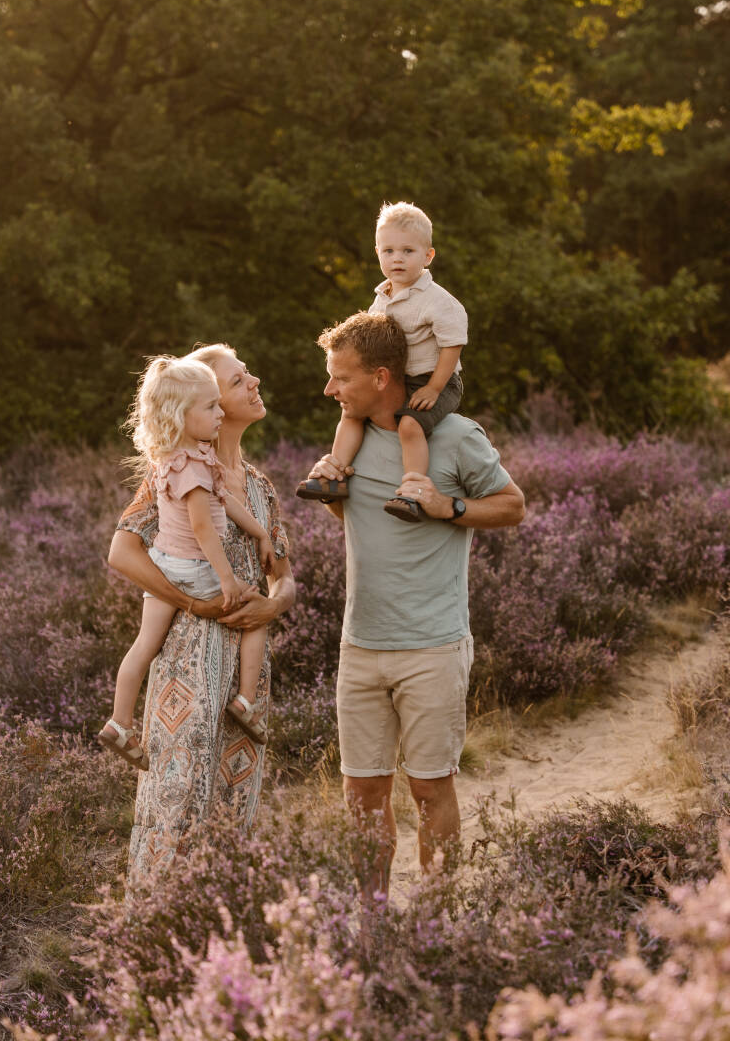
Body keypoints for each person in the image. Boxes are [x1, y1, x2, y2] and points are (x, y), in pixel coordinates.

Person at [303, 312, 525, 901]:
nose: (330, 390)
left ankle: (435, 918)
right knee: (362, 795)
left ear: (381, 377)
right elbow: (352, 519)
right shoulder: (347, 438)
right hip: (361, 647)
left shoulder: (454, 436)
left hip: (432, 645)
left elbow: (512, 505)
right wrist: (332, 486)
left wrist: (445, 507)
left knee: (430, 791)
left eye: (339, 378)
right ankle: (373, 919)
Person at [107, 345, 296, 877]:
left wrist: (272, 604)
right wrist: (191, 601)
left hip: (246, 683)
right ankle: (152, 940)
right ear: (200, 402)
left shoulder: (258, 487)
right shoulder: (170, 473)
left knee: (234, 815)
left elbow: (283, 570)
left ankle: (220, 947)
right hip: (186, 673)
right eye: (238, 382)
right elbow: (122, 553)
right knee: (175, 806)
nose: (254, 382)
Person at [99, 355, 276, 771]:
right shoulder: (197, 466)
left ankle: (120, 722)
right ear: (183, 414)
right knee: (255, 613)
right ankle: (247, 701)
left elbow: (229, 503)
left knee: (144, 645)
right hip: (196, 569)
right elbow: (204, 529)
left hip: (165, 563)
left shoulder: (174, 458)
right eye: (212, 405)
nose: (218, 413)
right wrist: (227, 581)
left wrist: (262, 532)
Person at [297, 202, 468, 522]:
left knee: (410, 425)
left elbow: (452, 344)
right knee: (351, 414)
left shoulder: (438, 301)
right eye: (388, 251)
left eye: (407, 251)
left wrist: (434, 387)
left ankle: (412, 493)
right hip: (397, 379)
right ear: (377, 253)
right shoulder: (382, 297)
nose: (397, 259)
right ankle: (333, 478)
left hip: (436, 378)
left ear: (428, 256)